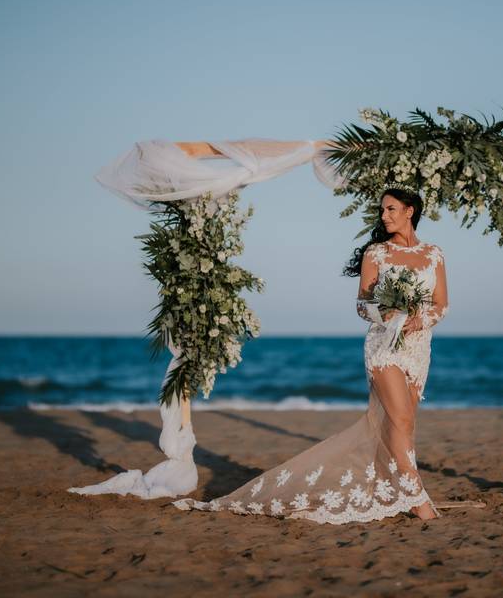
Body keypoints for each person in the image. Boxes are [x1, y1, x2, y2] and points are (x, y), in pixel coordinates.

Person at [173, 185, 448, 523]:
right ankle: (419, 499)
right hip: (383, 347)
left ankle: (400, 488)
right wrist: (386, 314)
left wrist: (421, 318)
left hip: (419, 349)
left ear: (410, 211)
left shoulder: (433, 254)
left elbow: (441, 304)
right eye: (382, 210)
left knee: (404, 424)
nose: (384, 216)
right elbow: (362, 304)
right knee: (401, 419)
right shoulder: (376, 253)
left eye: (391, 209)